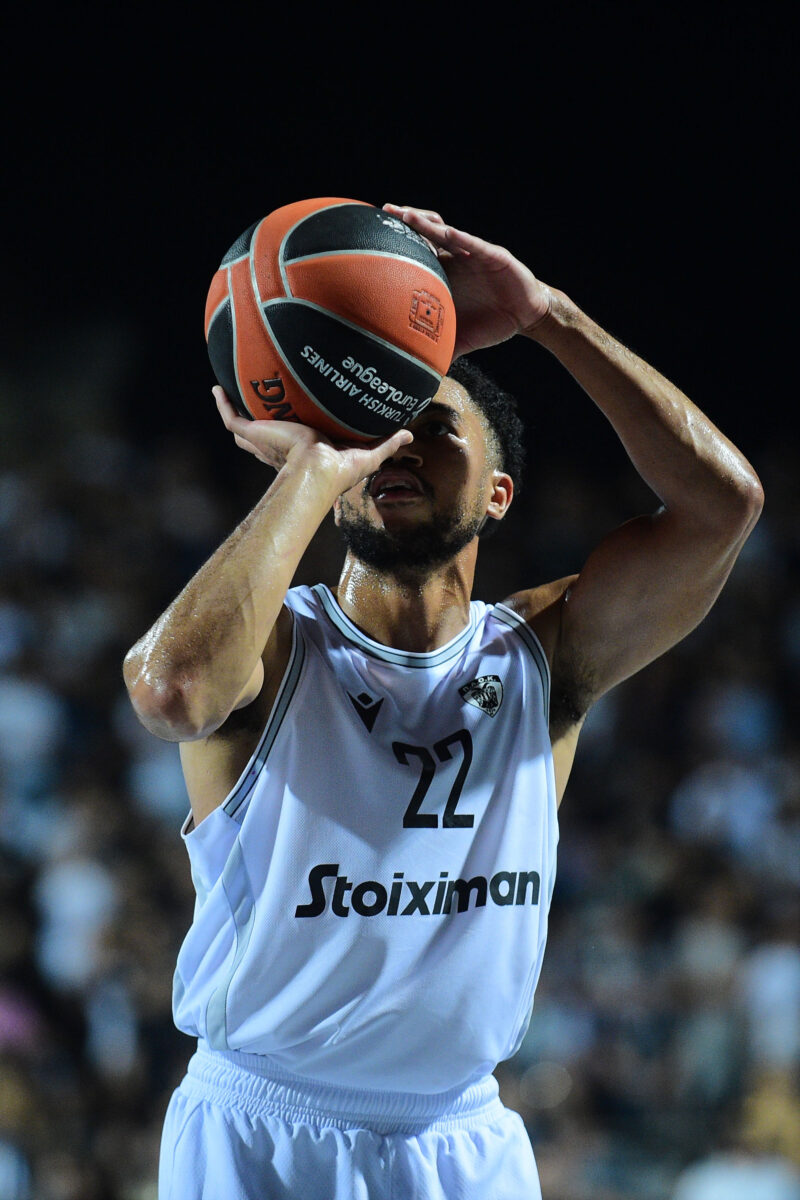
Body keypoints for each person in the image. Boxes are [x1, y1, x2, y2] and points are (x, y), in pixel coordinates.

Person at [123, 203, 763, 1200]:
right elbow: (171, 694)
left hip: (462, 1137)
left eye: (431, 427)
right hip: (262, 1127)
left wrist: (550, 317)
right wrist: (317, 462)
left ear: (498, 493)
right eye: (376, 430)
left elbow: (723, 507)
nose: (398, 448)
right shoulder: (275, 651)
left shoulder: (545, 655)